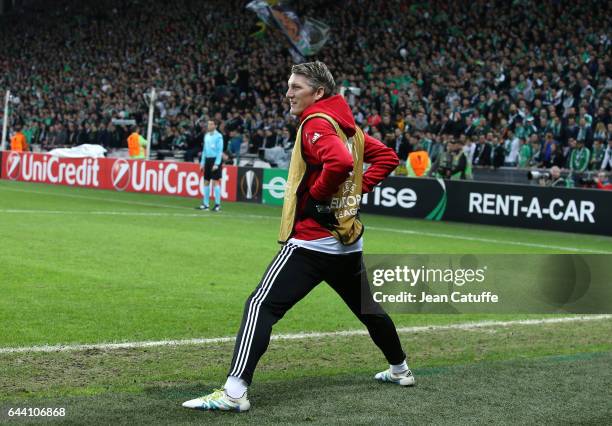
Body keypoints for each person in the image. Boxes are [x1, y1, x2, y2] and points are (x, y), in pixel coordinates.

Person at [182, 61, 413, 413]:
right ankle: (400, 370)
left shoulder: (317, 123)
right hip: (346, 241)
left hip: (311, 241)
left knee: (261, 305)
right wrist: (355, 189)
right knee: (368, 309)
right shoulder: (348, 127)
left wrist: (320, 196)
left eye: (296, 87)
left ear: (318, 93)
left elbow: (338, 163)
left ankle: (233, 393)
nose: (288, 93)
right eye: (289, 86)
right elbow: (388, 157)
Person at [197, 119, 224, 211]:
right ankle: (206, 204)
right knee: (206, 181)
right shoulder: (206, 136)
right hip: (207, 160)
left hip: (215, 160)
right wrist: (202, 163)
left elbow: (220, 151)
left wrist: (217, 163)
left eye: (211, 124)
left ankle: (217, 204)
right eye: (208, 124)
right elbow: (204, 150)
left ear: (215, 126)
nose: (209, 126)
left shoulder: (219, 136)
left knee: (215, 182)